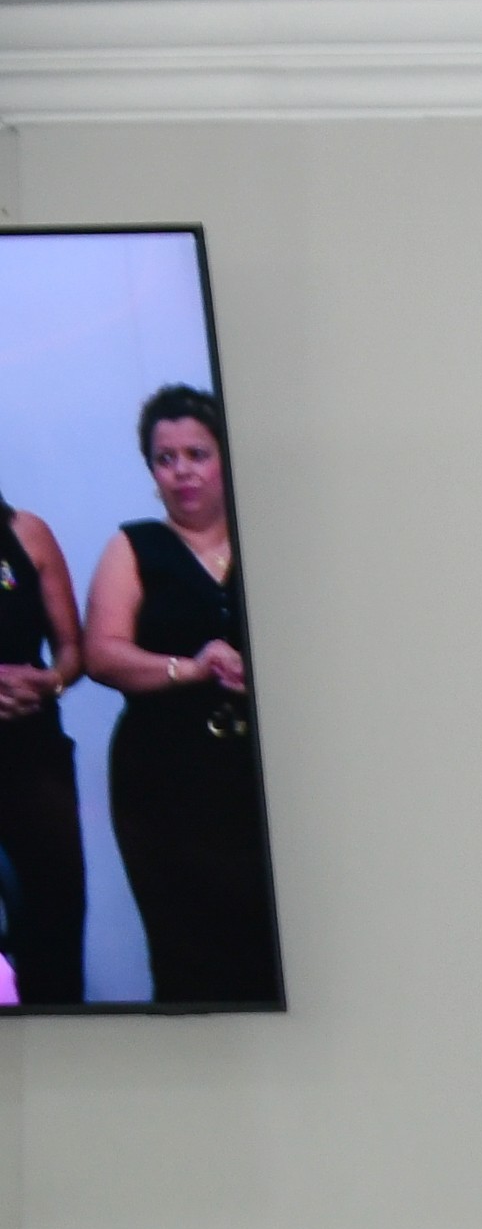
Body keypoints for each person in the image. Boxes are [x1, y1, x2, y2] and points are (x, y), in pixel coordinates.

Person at [83, 385, 281, 1007]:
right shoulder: (134, 546)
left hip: (264, 777)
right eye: (165, 459)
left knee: (278, 950)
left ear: (225, 456)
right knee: (188, 954)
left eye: (197, 453)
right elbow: (101, 654)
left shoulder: (271, 537)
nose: (182, 471)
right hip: (164, 783)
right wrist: (190, 669)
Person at [0, 485, 85, 1005]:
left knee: (55, 927)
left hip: (35, 759)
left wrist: (49, 681)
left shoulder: (27, 532)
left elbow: (72, 649)